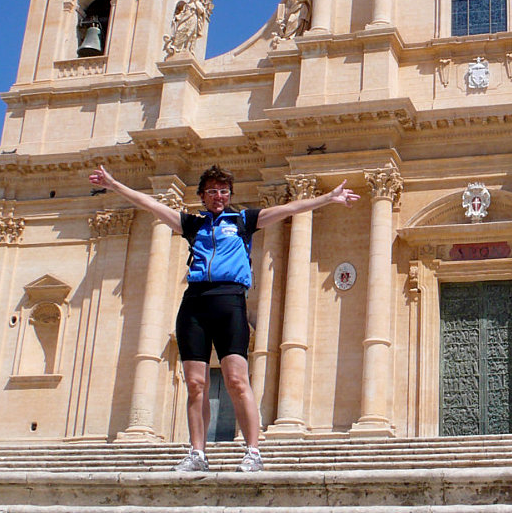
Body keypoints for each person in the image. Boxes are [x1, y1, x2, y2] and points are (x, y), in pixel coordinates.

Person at [88, 163, 359, 473]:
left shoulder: (243, 221)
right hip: (195, 303)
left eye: (223, 191)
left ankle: (253, 451)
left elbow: (288, 209)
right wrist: (114, 184)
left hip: (230, 301)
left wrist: (327, 198)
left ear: (230, 195)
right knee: (195, 383)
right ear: (203, 196)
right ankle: (197, 454)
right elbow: (151, 204)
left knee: (236, 380)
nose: (218, 196)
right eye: (212, 191)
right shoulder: (193, 225)